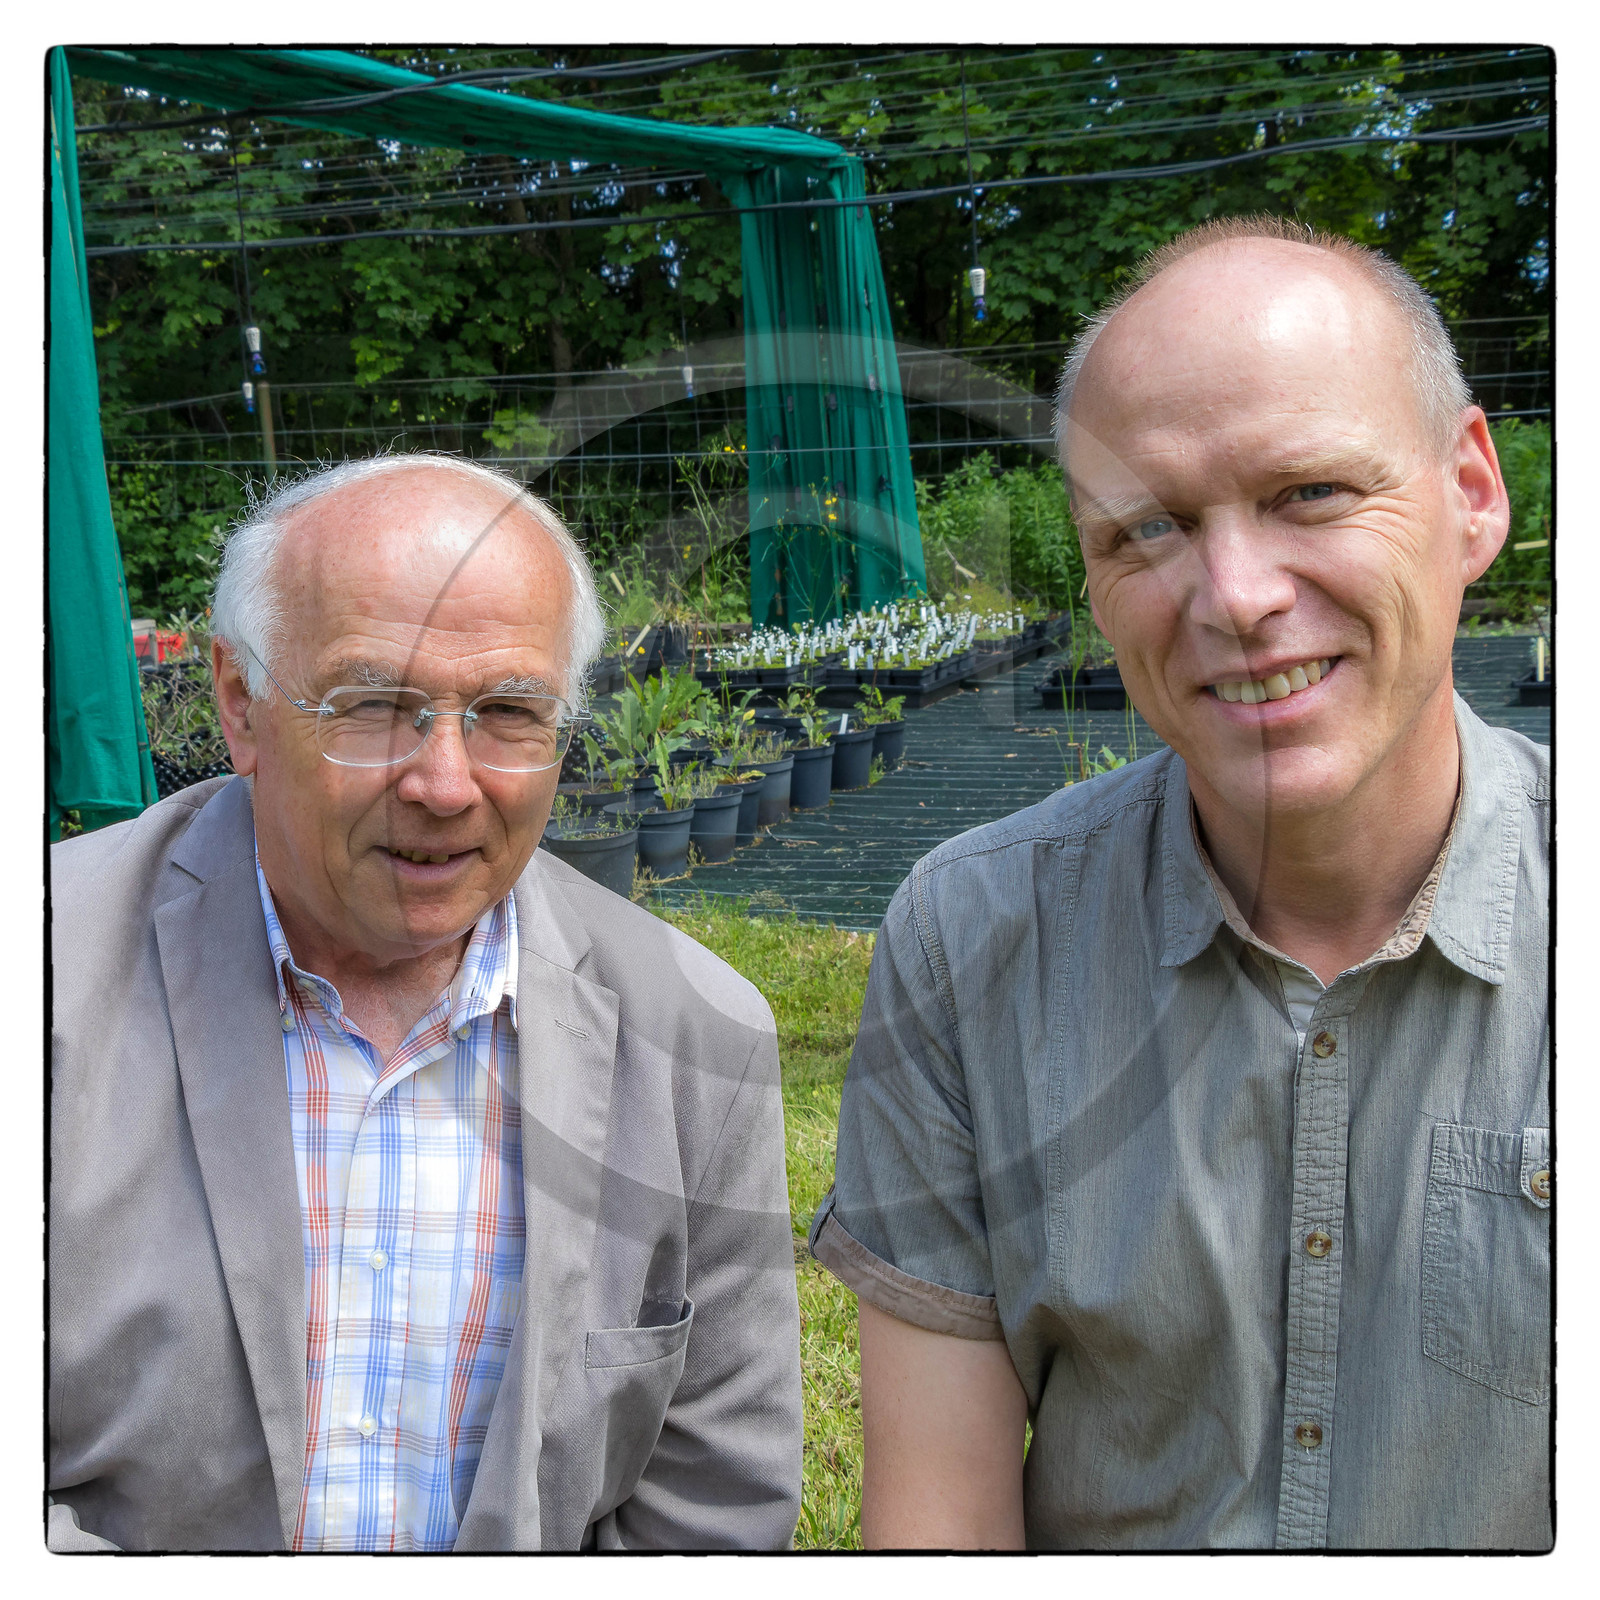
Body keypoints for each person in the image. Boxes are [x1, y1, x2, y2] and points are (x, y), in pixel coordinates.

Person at [811, 217, 1549, 1551]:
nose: (1235, 594)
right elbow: (939, 1524)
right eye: (1149, 527)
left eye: (1309, 492)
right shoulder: (970, 940)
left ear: (1471, 493)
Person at [49, 454, 802, 1552]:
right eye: (371, 706)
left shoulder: (696, 1041)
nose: (446, 783)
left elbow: (712, 1499)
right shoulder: (50, 977)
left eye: (508, 711)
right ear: (240, 704)